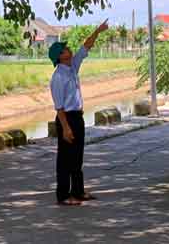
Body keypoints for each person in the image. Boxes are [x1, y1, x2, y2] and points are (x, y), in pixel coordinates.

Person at [48, 20, 109, 206]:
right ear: (60, 56)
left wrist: (97, 31)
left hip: (77, 117)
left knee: (77, 158)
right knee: (65, 159)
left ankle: (78, 191)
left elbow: (85, 47)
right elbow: (59, 107)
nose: (69, 50)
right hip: (66, 119)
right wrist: (65, 128)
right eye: (65, 49)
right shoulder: (58, 77)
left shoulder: (72, 67)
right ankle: (64, 196)